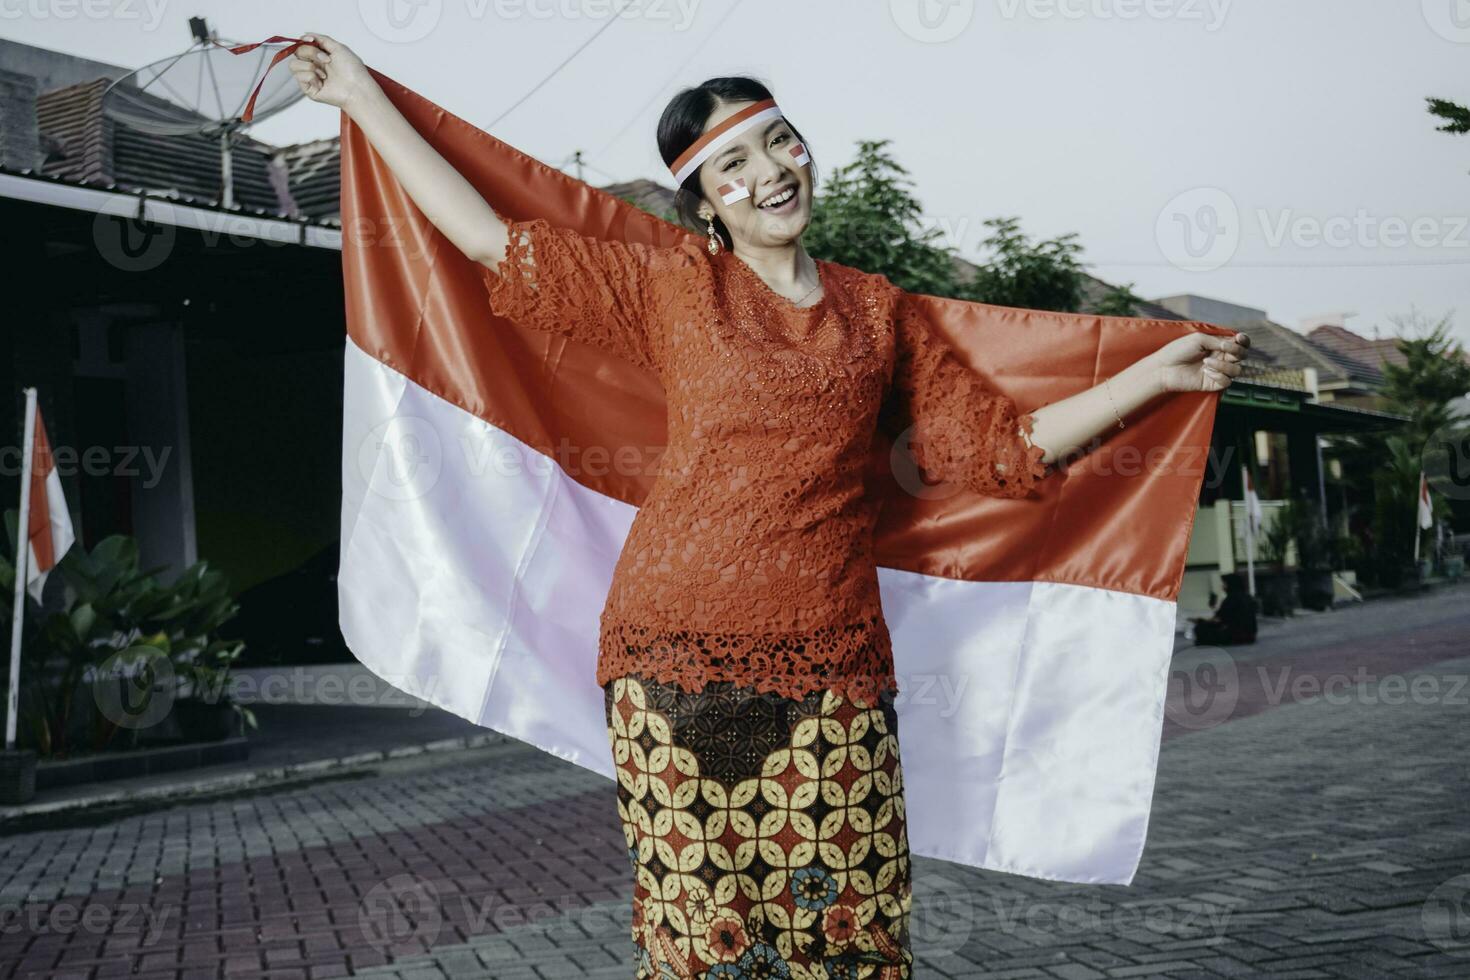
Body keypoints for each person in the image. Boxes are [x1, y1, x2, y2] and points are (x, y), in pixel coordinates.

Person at [288, 33, 1250, 978]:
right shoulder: (673, 288)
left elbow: (1004, 451)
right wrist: (366, 101)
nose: (770, 171)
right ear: (707, 202)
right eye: (733, 163)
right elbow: (495, 243)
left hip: (830, 668)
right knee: (701, 951)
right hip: (665, 661)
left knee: (851, 945)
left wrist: (1157, 374)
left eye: (778, 141)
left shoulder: (881, 313)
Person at [1190, 572, 1258, 645]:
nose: (1222, 586)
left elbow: (1219, 620)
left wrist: (1201, 621)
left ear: (1230, 584)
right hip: (1250, 635)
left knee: (1200, 628)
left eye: (1224, 583)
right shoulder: (1248, 597)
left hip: (1236, 636)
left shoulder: (1231, 599)